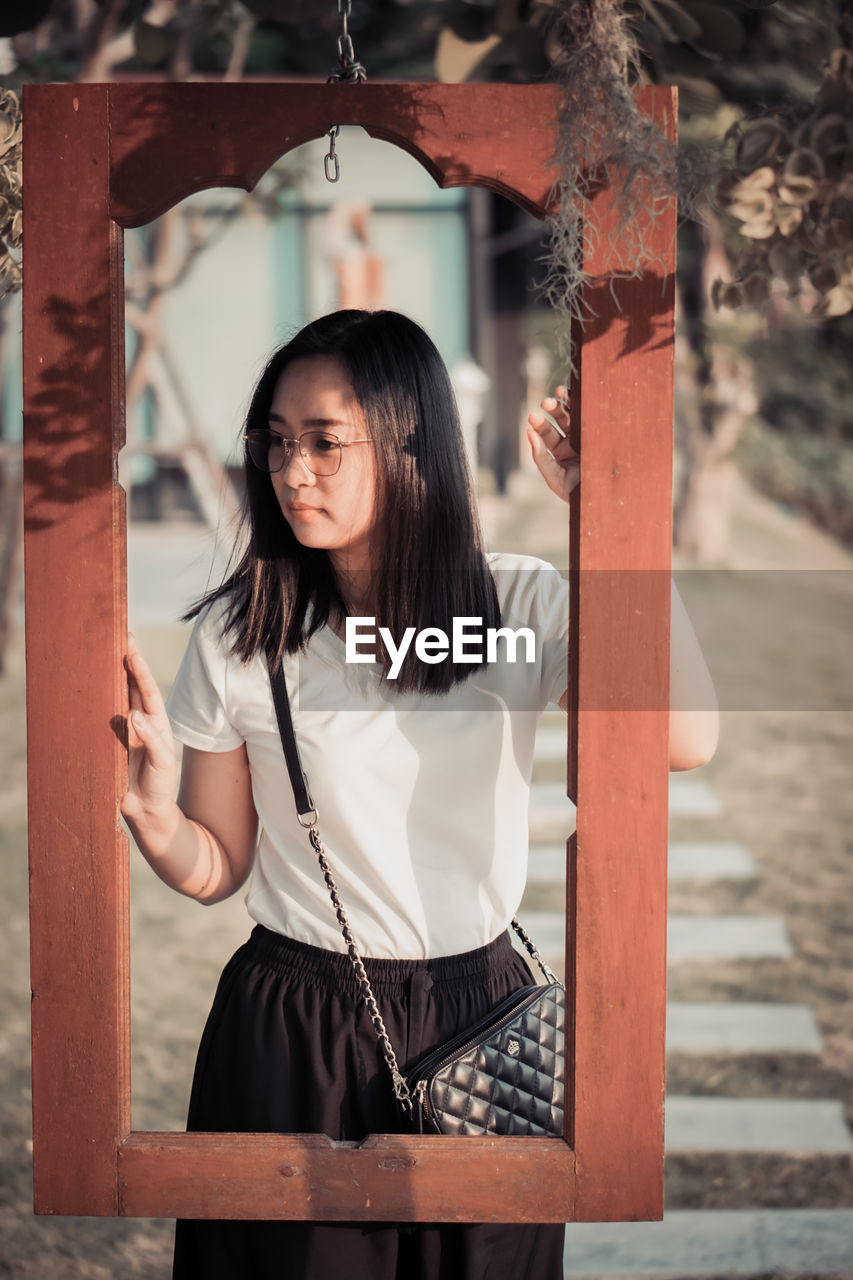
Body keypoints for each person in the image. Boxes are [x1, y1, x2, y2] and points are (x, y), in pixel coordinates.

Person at [121, 309, 719, 1280]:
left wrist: (597, 517)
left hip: (483, 1017)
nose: (291, 469)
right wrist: (155, 819)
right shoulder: (242, 635)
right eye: (276, 441)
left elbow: (684, 737)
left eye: (323, 441)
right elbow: (217, 864)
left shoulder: (518, 607)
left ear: (411, 442)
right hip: (293, 1028)